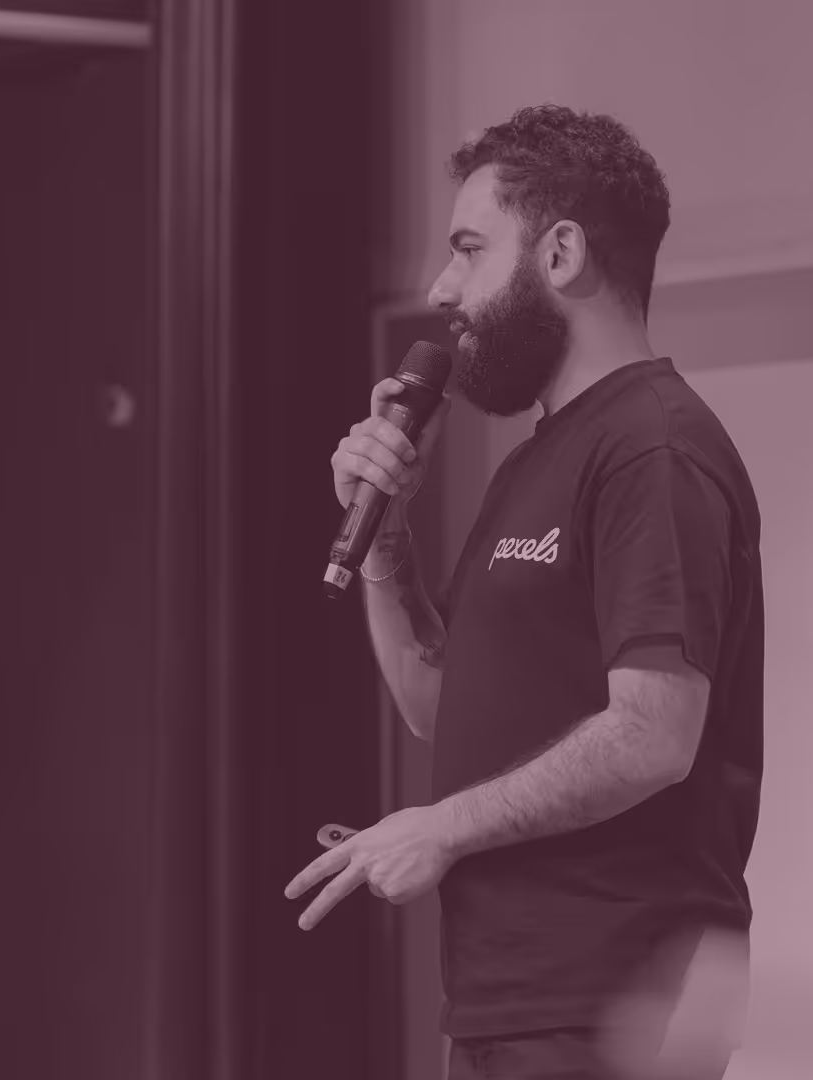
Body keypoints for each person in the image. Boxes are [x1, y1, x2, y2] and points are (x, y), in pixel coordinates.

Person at [285, 104, 765, 1080]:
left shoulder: (653, 448)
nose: (440, 286)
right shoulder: (539, 458)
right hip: (511, 1000)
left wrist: (440, 828)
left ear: (561, 254)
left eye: (468, 249)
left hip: (619, 1001)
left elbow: (655, 733)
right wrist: (388, 541)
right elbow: (436, 704)